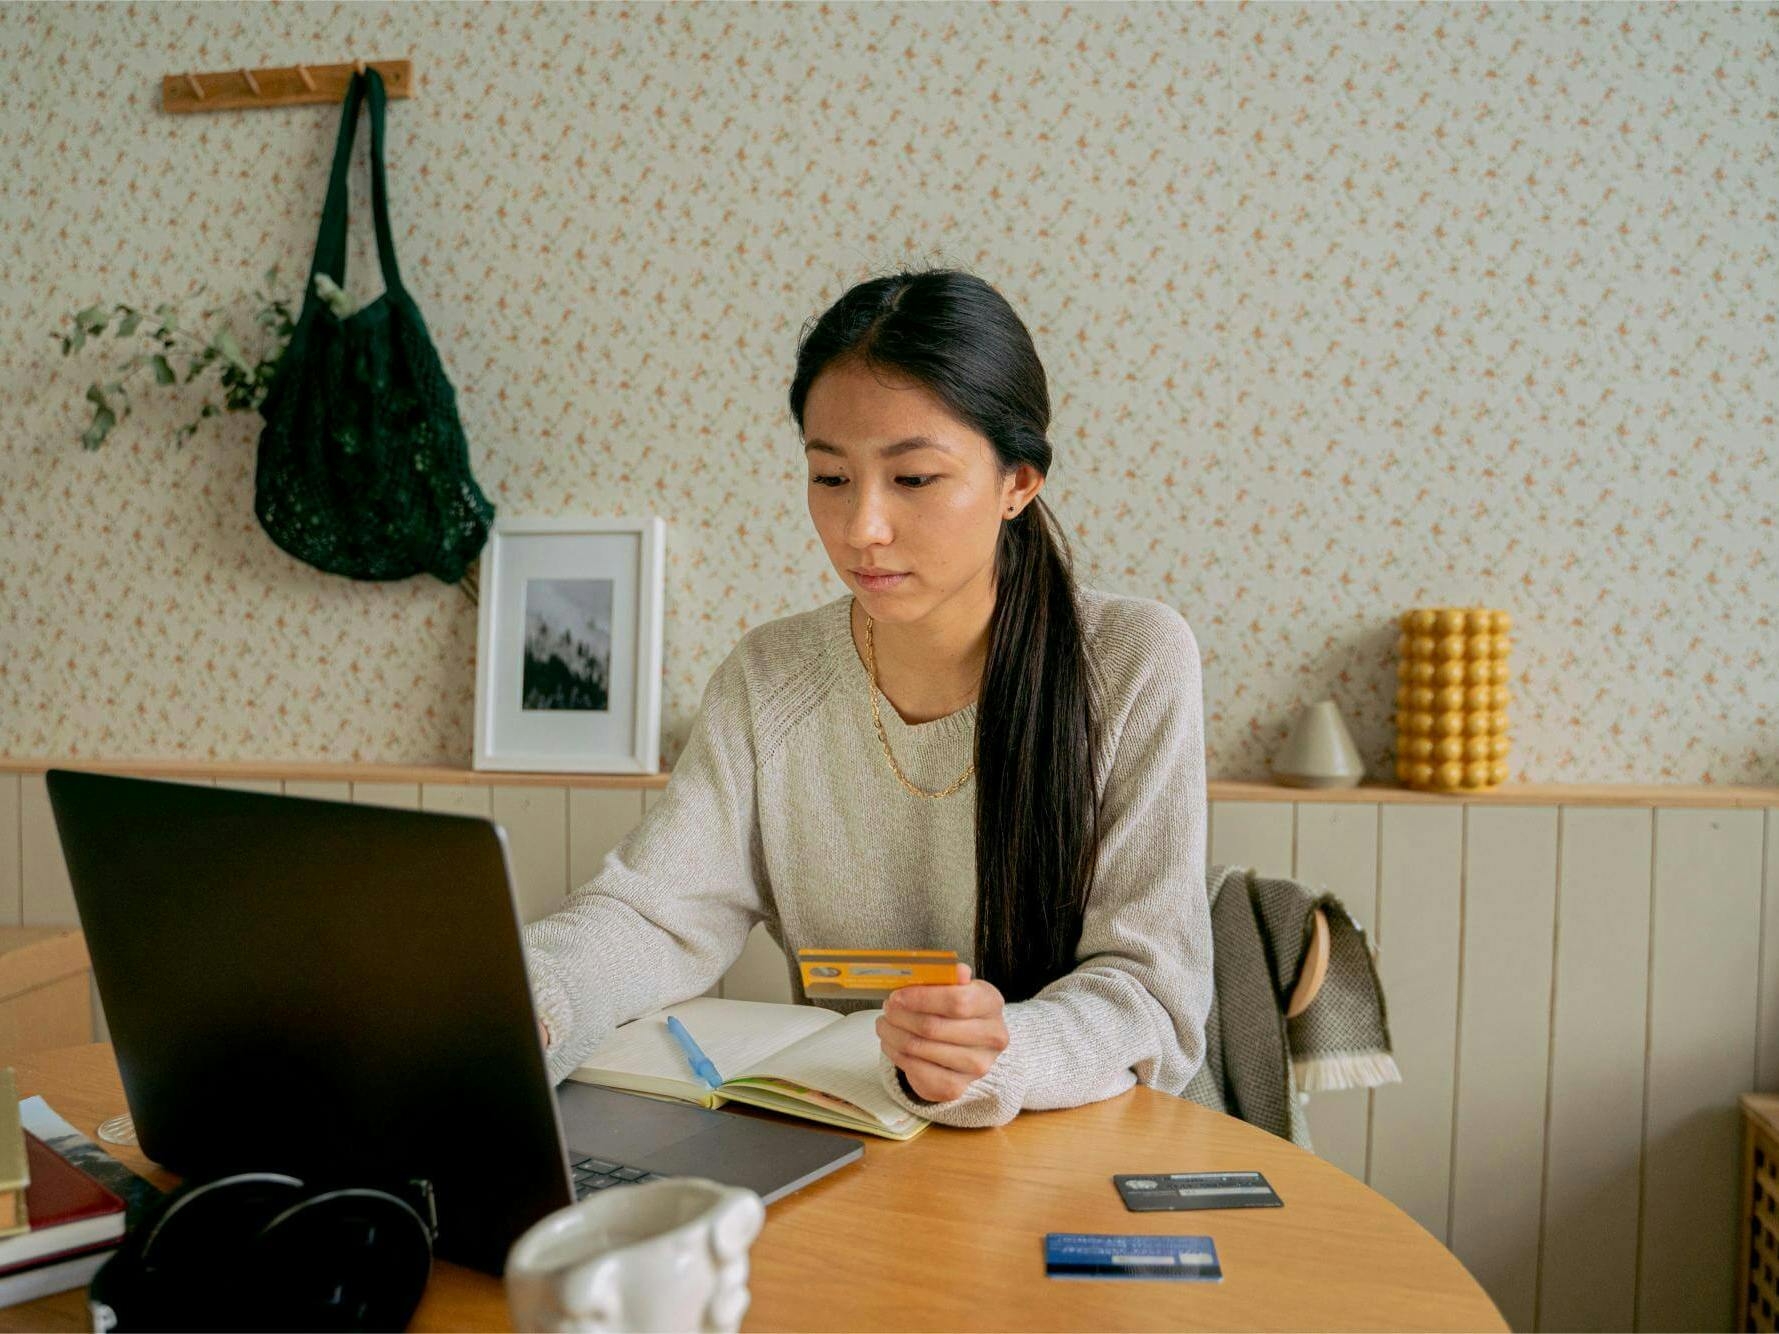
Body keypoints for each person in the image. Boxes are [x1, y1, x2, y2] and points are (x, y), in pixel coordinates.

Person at [521, 268, 1211, 1129]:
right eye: (831, 478)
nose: (861, 530)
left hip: (1086, 1145)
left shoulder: (1132, 661)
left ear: (1018, 482)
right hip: (863, 1147)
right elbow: (655, 917)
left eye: (913, 479)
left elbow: (1149, 992)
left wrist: (999, 1054)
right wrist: (527, 1001)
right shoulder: (769, 676)